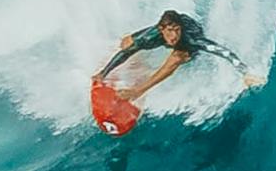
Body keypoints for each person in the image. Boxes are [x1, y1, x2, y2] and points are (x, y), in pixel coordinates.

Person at [94, 9, 256, 110]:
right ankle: (134, 63)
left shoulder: (190, 39)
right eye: (170, 31)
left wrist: (245, 72)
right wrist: (103, 73)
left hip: (190, 39)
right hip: (162, 29)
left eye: (177, 30)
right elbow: (127, 52)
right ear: (161, 29)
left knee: (176, 57)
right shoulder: (153, 35)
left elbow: (223, 51)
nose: (174, 36)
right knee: (127, 43)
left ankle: (139, 90)